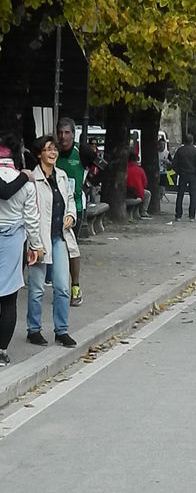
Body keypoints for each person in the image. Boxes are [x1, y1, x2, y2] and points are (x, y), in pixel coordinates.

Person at [27, 135, 79, 348]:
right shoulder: (33, 179)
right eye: (48, 149)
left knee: (62, 287)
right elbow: (29, 212)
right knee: (37, 288)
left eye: (55, 149)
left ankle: (61, 330)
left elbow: (70, 200)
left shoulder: (62, 176)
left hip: (59, 237)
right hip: (40, 239)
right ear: (40, 153)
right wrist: (34, 243)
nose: (53, 153)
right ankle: (34, 329)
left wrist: (71, 216)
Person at [0, 133, 44, 366]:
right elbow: (32, 219)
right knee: (8, 297)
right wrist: (35, 246)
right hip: (13, 241)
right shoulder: (25, 183)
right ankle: (2, 350)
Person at [56, 117, 96, 306]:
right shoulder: (51, 149)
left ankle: (75, 287)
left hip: (76, 208)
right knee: (56, 248)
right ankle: (59, 284)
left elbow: (101, 166)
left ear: (73, 134)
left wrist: (88, 184)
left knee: (71, 248)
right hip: (54, 207)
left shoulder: (82, 151)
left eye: (67, 133)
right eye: (60, 132)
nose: (63, 137)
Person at [172, 133, 196, 222]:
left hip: (183, 174)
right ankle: (191, 216)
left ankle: (178, 215)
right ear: (192, 141)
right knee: (193, 196)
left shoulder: (180, 150)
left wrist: (178, 171)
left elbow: (174, 163)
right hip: (192, 175)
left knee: (180, 195)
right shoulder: (195, 151)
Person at [126, 150, 151, 218]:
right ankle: (143, 211)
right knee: (147, 193)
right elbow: (145, 183)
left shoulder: (125, 170)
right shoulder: (140, 170)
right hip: (138, 193)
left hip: (126, 193)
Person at [158, 135, 172, 200]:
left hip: (163, 172)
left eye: (163, 145)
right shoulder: (156, 152)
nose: (162, 146)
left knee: (162, 189)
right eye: (161, 144)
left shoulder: (167, 153)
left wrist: (167, 162)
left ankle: (161, 196)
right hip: (157, 172)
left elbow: (171, 163)